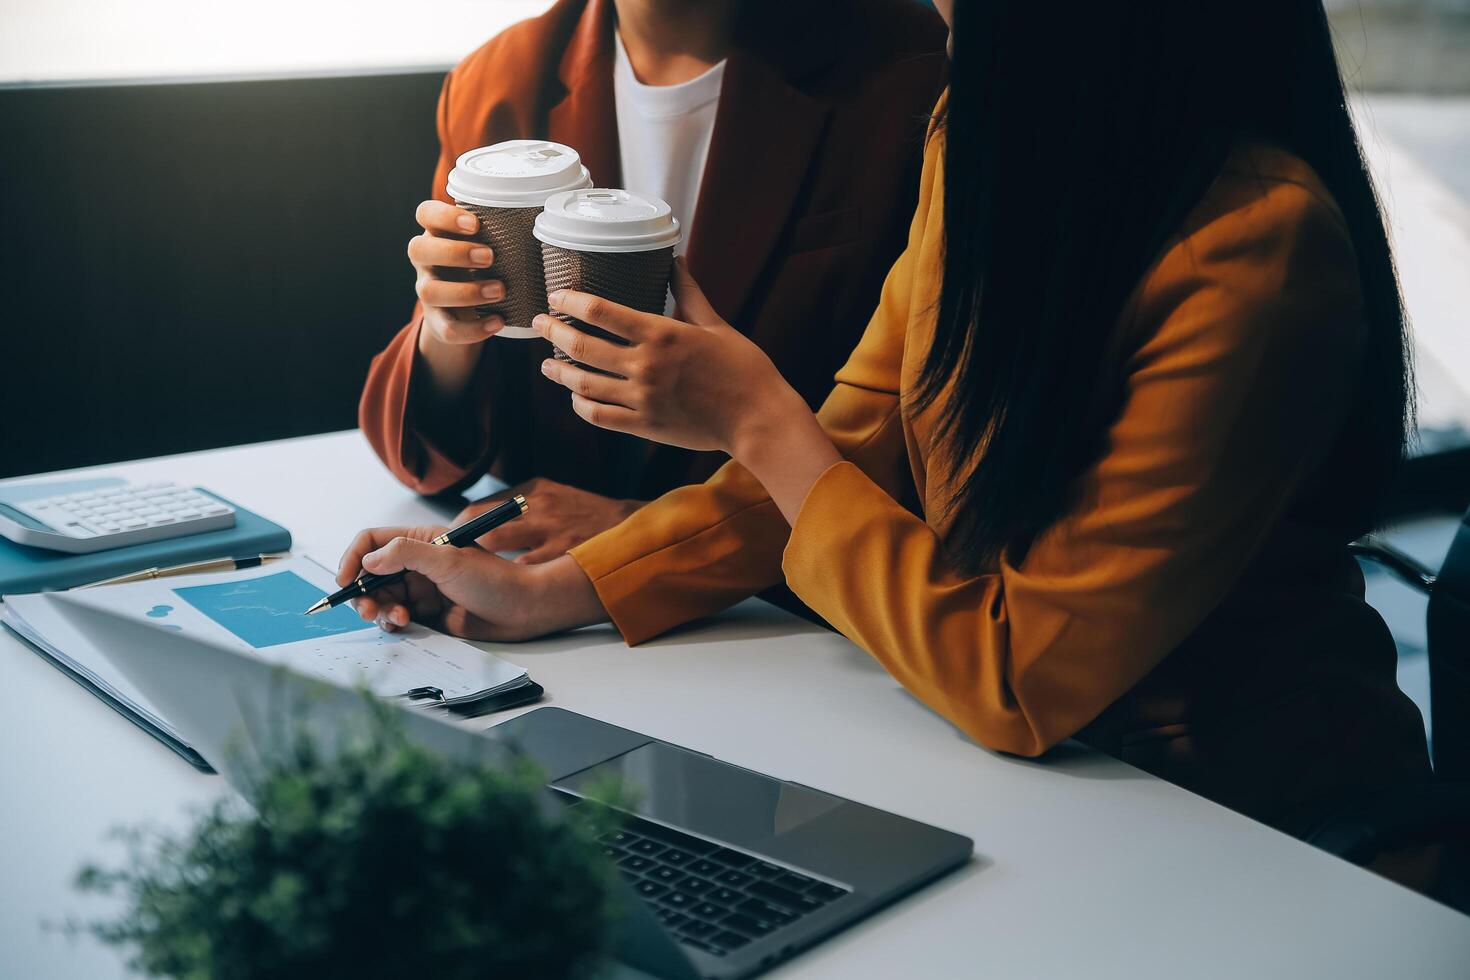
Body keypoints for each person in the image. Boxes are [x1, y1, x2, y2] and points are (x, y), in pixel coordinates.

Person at [339, 0, 1433, 835]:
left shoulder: (1257, 245)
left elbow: (1018, 676)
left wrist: (756, 417)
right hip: (1029, 781)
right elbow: (855, 441)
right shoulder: (991, 146)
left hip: (1238, 818)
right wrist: (547, 593)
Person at [359, 0, 947, 563]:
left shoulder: (910, 71)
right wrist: (449, 329)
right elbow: (418, 455)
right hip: (534, 582)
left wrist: (639, 529)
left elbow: (912, 442)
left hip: (792, 601)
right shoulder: (504, 77)